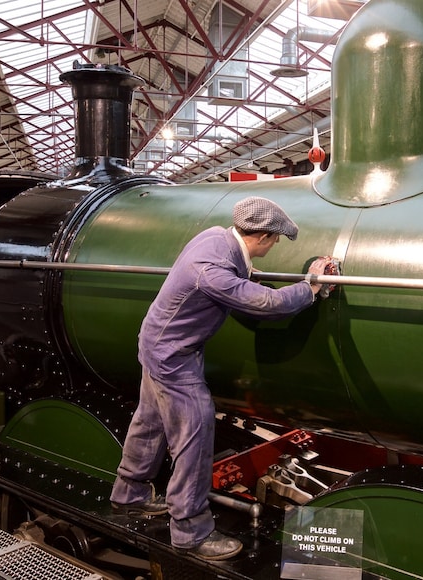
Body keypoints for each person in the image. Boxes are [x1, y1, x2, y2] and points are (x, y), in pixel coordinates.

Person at [110, 196, 328, 561]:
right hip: (173, 357)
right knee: (195, 434)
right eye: (274, 239)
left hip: (159, 344)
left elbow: (238, 277)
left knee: (149, 422)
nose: (274, 246)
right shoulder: (211, 268)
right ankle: (189, 531)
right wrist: (312, 288)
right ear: (260, 235)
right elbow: (265, 304)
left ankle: (128, 495)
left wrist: (250, 276)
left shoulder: (216, 237)